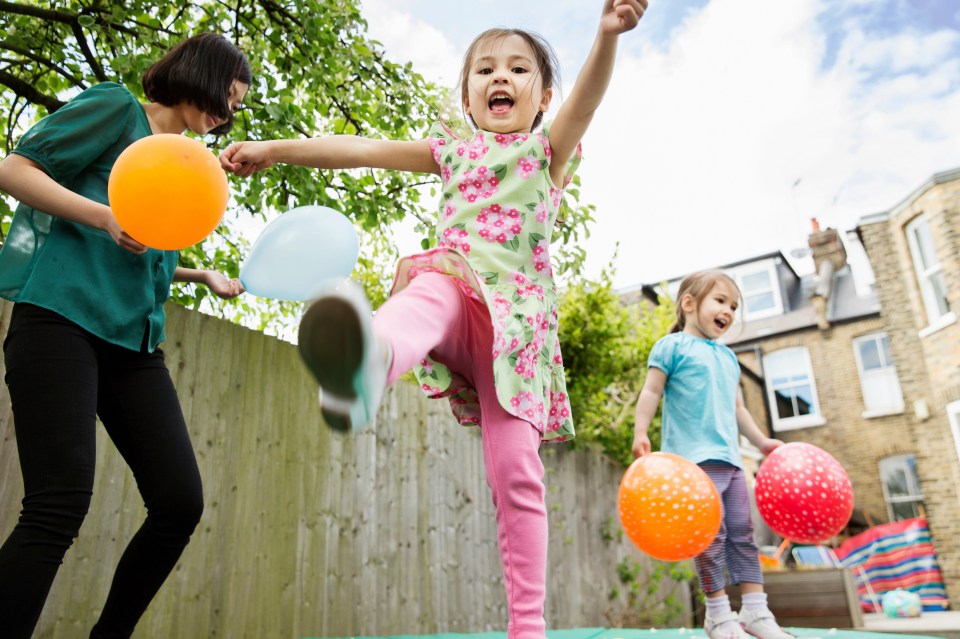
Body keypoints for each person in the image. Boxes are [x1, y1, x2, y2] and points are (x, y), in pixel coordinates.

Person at [220, 2, 647, 636]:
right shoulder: (450, 151)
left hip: (517, 336)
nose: (499, 78)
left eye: (518, 69)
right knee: (424, 298)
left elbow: (586, 101)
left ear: (542, 94)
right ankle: (365, 364)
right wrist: (276, 148)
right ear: (468, 96)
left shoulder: (544, 150)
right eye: (484, 70)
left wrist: (606, 36)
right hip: (457, 289)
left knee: (517, 475)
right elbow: (361, 150)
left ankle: (528, 628)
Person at [0, 33, 250, 639]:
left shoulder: (179, 161)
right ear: (200, 73)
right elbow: (13, 168)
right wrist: (103, 214)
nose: (229, 113)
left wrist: (197, 270)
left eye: (237, 109)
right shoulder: (118, 110)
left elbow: (139, 246)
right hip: (59, 320)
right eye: (229, 96)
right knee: (58, 503)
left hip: (134, 345)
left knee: (179, 503)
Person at [631, 270, 794, 639]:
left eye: (734, 306)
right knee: (709, 538)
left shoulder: (728, 358)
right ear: (689, 303)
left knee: (742, 534)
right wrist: (641, 431)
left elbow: (739, 410)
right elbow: (651, 392)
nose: (729, 311)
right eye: (720, 301)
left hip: (732, 462)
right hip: (690, 466)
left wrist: (762, 441)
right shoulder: (670, 347)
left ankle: (755, 611)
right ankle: (718, 613)